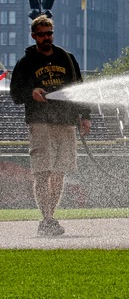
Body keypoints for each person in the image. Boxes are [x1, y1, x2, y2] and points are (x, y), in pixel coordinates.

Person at [10, 15, 91, 236]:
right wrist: (32, 92)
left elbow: (79, 88)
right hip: (40, 121)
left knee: (59, 172)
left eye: (49, 33)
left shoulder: (67, 58)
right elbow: (15, 93)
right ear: (34, 36)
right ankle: (45, 218)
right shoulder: (25, 63)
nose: (47, 38)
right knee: (42, 171)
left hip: (65, 121)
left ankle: (51, 216)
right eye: (42, 34)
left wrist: (85, 116)